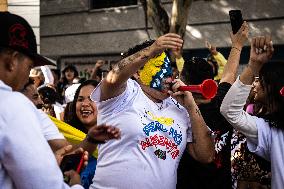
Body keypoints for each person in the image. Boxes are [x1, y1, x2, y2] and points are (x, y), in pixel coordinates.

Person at [90, 33, 215, 189]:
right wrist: (151, 50)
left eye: (168, 67)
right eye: (158, 66)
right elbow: (113, 75)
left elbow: (207, 155)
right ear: (136, 73)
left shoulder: (181, 107)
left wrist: (191, 106)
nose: (168, 74)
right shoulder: (124, 92)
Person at [0, 11, 83, 188]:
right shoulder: (11, 105)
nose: (27, 77)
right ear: (12, 61)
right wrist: (76, 185)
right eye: (29, 67)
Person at [177, 22, 249, 189]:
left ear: (184, 83)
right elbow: (229, 74)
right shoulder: (224, 102)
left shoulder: (179, 112)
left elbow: (228, 75)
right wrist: (237, 45)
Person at [220, 36, 284, 189]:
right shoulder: (269, 130)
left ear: (271, 87)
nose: (254, 84)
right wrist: (254, 65)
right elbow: (229, 111)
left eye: (259, 79)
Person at [65, 80, 100, 189]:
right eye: (80, 99)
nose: (85, 104)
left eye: (92, 99)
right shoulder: (65, 139)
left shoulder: (118, 140)